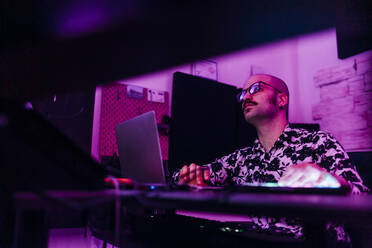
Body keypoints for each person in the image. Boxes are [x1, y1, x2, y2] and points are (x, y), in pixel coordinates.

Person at [172, 74, 368, 246]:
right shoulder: (241, 158)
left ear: (281, 99)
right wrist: (186, 180)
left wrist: (330, 181)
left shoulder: (319, 142)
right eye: (242, 93)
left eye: (255, 88)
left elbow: (362, 198)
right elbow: (186, 176)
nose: (246, 97)